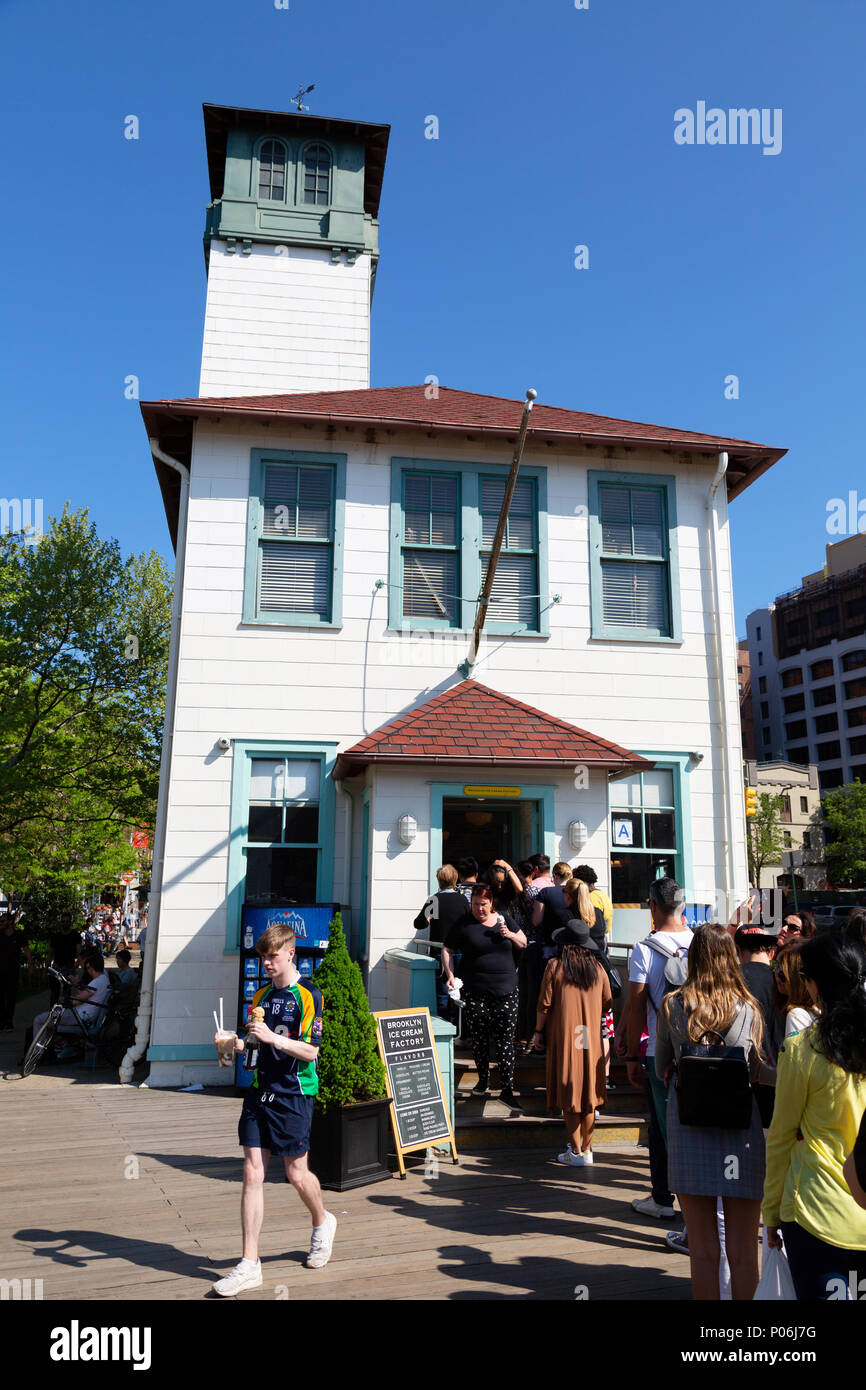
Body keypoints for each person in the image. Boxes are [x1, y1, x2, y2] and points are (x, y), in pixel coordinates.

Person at [212, 922, 332, 1296]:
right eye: (262, 956)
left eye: (273, 955)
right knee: (252, 1173)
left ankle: (322, 1221)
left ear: (291, 953)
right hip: (261, 1090)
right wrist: (234, 1045)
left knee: (297, 1174)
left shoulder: (309, 994)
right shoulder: (260, 995)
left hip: (294, 1091)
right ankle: (250, 1264)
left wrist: (272, 1038)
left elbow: (311, 1052)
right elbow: (254, 1043)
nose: (266, 962)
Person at [655, 924, 773, 1301]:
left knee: (703, 1250)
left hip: (689, 1126)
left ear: (694, 957)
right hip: (740, 1128)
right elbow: (757, 1070)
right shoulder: (749, 1008)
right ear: (731, 958)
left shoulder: (673, 1004)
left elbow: (661, 1069)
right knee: (742, 1252)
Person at [763, 934, 866, 1299]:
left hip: (815, 1210)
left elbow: (780, 1136)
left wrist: (771, 1212)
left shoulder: (803, 1049)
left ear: (814, 983)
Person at [624, 878, 693, 1222]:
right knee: (694, 1126)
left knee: (663, 1129)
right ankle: (691, 1201)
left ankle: (667, 1201)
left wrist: (633, 1056)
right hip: (698, 1051)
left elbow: (636, 1006)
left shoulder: (645, 949)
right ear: (683, 905)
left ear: (652, 906)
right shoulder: (700, 943)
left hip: (657, 1052)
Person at [442, 882, 527, 1112]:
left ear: (492, 903)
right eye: (475, 904)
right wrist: (450, 974)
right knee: (479, 1037)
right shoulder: (464, 923)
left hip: (506, 989)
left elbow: (524, 942)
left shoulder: (504, 919)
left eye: (483, 904)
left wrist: (508, 934)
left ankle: (507, 1088)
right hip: (475, 990)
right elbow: (447, 949)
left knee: (505, 1039)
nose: (479, 909)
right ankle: (483, 1079)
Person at [533, 916, 611, 1165]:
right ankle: (587, 1150)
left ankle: (575, 1150)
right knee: (588, 1094)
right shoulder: (598, 970)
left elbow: (544, 1005)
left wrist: (538, 1033)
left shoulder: (555, 967)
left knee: (569, 1092)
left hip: (565, 1036)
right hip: (588, 1037)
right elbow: (608, 1001)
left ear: (565, 943)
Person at [735, 923, 785, 1127]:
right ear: (771, 952)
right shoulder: (783, 981)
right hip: (778, 1074)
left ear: (739, 951)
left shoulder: (730, 980)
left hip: (738, 1073)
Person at [25, 950, 110, 1052]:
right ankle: (44, 1051)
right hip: (83, 1015)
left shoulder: (97, 982)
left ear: (90, 968)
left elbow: (79, 999)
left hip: (80, 1017)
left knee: (39, 1019)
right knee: (50, 1017)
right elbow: (84, 997)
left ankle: (37, 1054)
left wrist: (68, 1000)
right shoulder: (104, 979)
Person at [413, 865, 468, 1018]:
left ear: (439, 880)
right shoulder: (462, 899)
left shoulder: (435, 900)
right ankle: (459, 1029)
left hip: (440, 951)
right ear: (455, 879)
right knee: (460, 990)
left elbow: (419, 923)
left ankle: (444, 1027)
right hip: (459, 951)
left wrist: (429, 919)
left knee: (442, 993)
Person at [773, 941, 819, 1036]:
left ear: (797, 978)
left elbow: (797, 1051)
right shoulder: (819, 1009)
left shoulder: (796, 1015)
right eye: (774, 965)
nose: (776, 974)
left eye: (782, 972)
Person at [0, 915, 33, 1032]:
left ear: (10, 922)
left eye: (3, 921)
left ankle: (8, 1021)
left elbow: (26, 949)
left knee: (11, 996)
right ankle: (2, 1020)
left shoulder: (19, 935)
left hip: (13, 970)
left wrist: (30, 965)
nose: (1, 922)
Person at [572, 864, 614, 939]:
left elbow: (592, 923)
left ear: (582, 882)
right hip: (602, 936)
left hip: (593, 938)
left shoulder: (591, 897)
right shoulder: (602, 894)